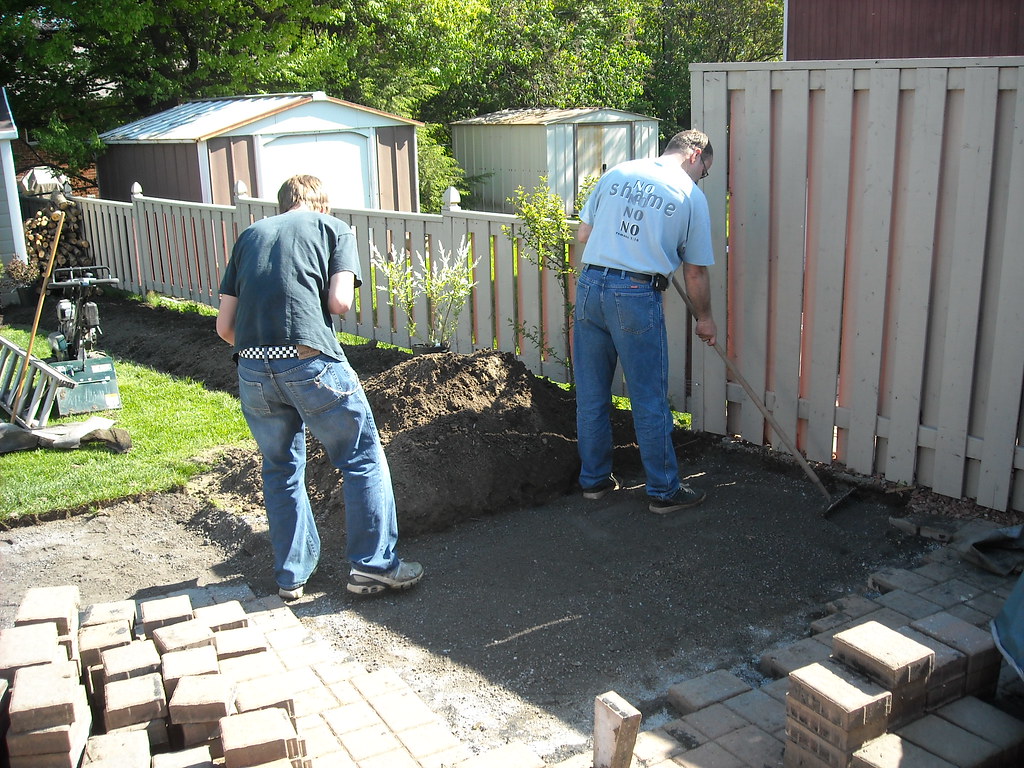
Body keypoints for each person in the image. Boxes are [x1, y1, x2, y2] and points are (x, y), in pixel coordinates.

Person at [216, 174, 423, 600]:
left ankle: (291, 577)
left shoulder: (250, 234)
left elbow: (224, 328)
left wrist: (266, 354)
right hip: (309, 363)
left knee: (280, 468)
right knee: (361, 458)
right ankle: (374, 567)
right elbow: (339, 303)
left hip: (252, 370)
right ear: (321, 204)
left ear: (283, 204)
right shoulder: (334, 228)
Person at [574, 129, 718, 514]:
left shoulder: (618, 173)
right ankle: (663, 490)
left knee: (591, 394)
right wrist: (705, 318)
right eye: (703, 170)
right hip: (634, 295)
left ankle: (594, 481)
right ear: (695, 155)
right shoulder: (690, 195)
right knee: (649, 397)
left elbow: (584, 233)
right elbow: (696, 274)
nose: (700, 178)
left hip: (590, 286)